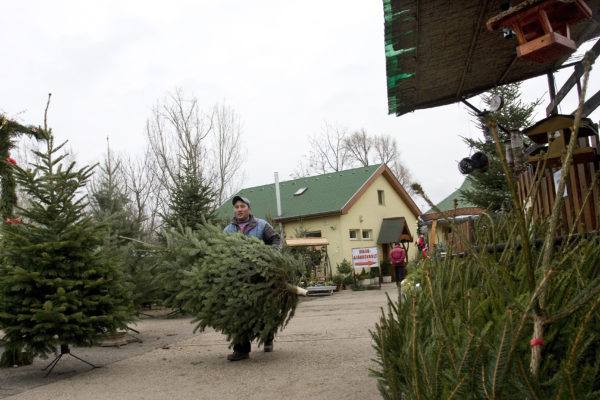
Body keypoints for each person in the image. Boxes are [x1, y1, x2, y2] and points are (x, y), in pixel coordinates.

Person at [222, 195, 282, 361]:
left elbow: (276, 239)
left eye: (242, 206)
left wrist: (271, 256)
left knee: (264, 309)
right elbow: (220, 250)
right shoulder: (228, 231)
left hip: (260, 277)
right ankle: (241, 349)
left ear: (249, 208)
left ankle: (268, 336)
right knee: (238, 311)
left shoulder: (261, 225)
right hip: (239, 280)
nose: (239, 209)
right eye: (236, 207)